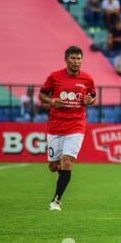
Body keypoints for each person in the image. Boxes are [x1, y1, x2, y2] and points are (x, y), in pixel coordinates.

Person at [38, 46, 96, 211]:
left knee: (67, 162)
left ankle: (56, 200)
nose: (76, 62)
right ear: (66, 60)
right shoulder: (55, 77)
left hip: (76, 125)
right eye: (73, 59)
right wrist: (51, 101)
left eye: (79, 59)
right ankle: (59, 175)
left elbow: (92, 96)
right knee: (54, 166)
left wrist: (89, 100)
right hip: (56, 126)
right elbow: (42, 94)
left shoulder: (87, 79)